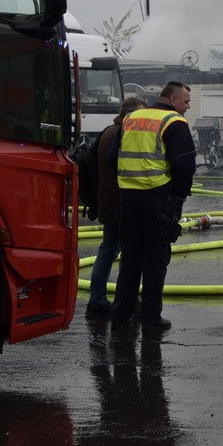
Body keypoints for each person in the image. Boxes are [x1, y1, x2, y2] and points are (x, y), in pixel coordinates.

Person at [111, 81, 196, 333]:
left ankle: (120, 316)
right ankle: (151, 318)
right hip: (158, 199)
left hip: (128, 198)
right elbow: (184, 167)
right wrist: (179, 198)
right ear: (172, 100)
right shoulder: (174, 122)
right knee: (155, 260)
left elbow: (113, 155)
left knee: (129, 260)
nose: (187, 107)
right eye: (185, 102)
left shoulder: (131, 118)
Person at [85, 96, 147, 319]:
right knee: (126, 253)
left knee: (108, 250)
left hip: (108, 202)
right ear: (130, 115)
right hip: (121, 204)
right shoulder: (122, 133)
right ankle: (121, 301)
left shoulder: (107, 131)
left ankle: (97, 299)